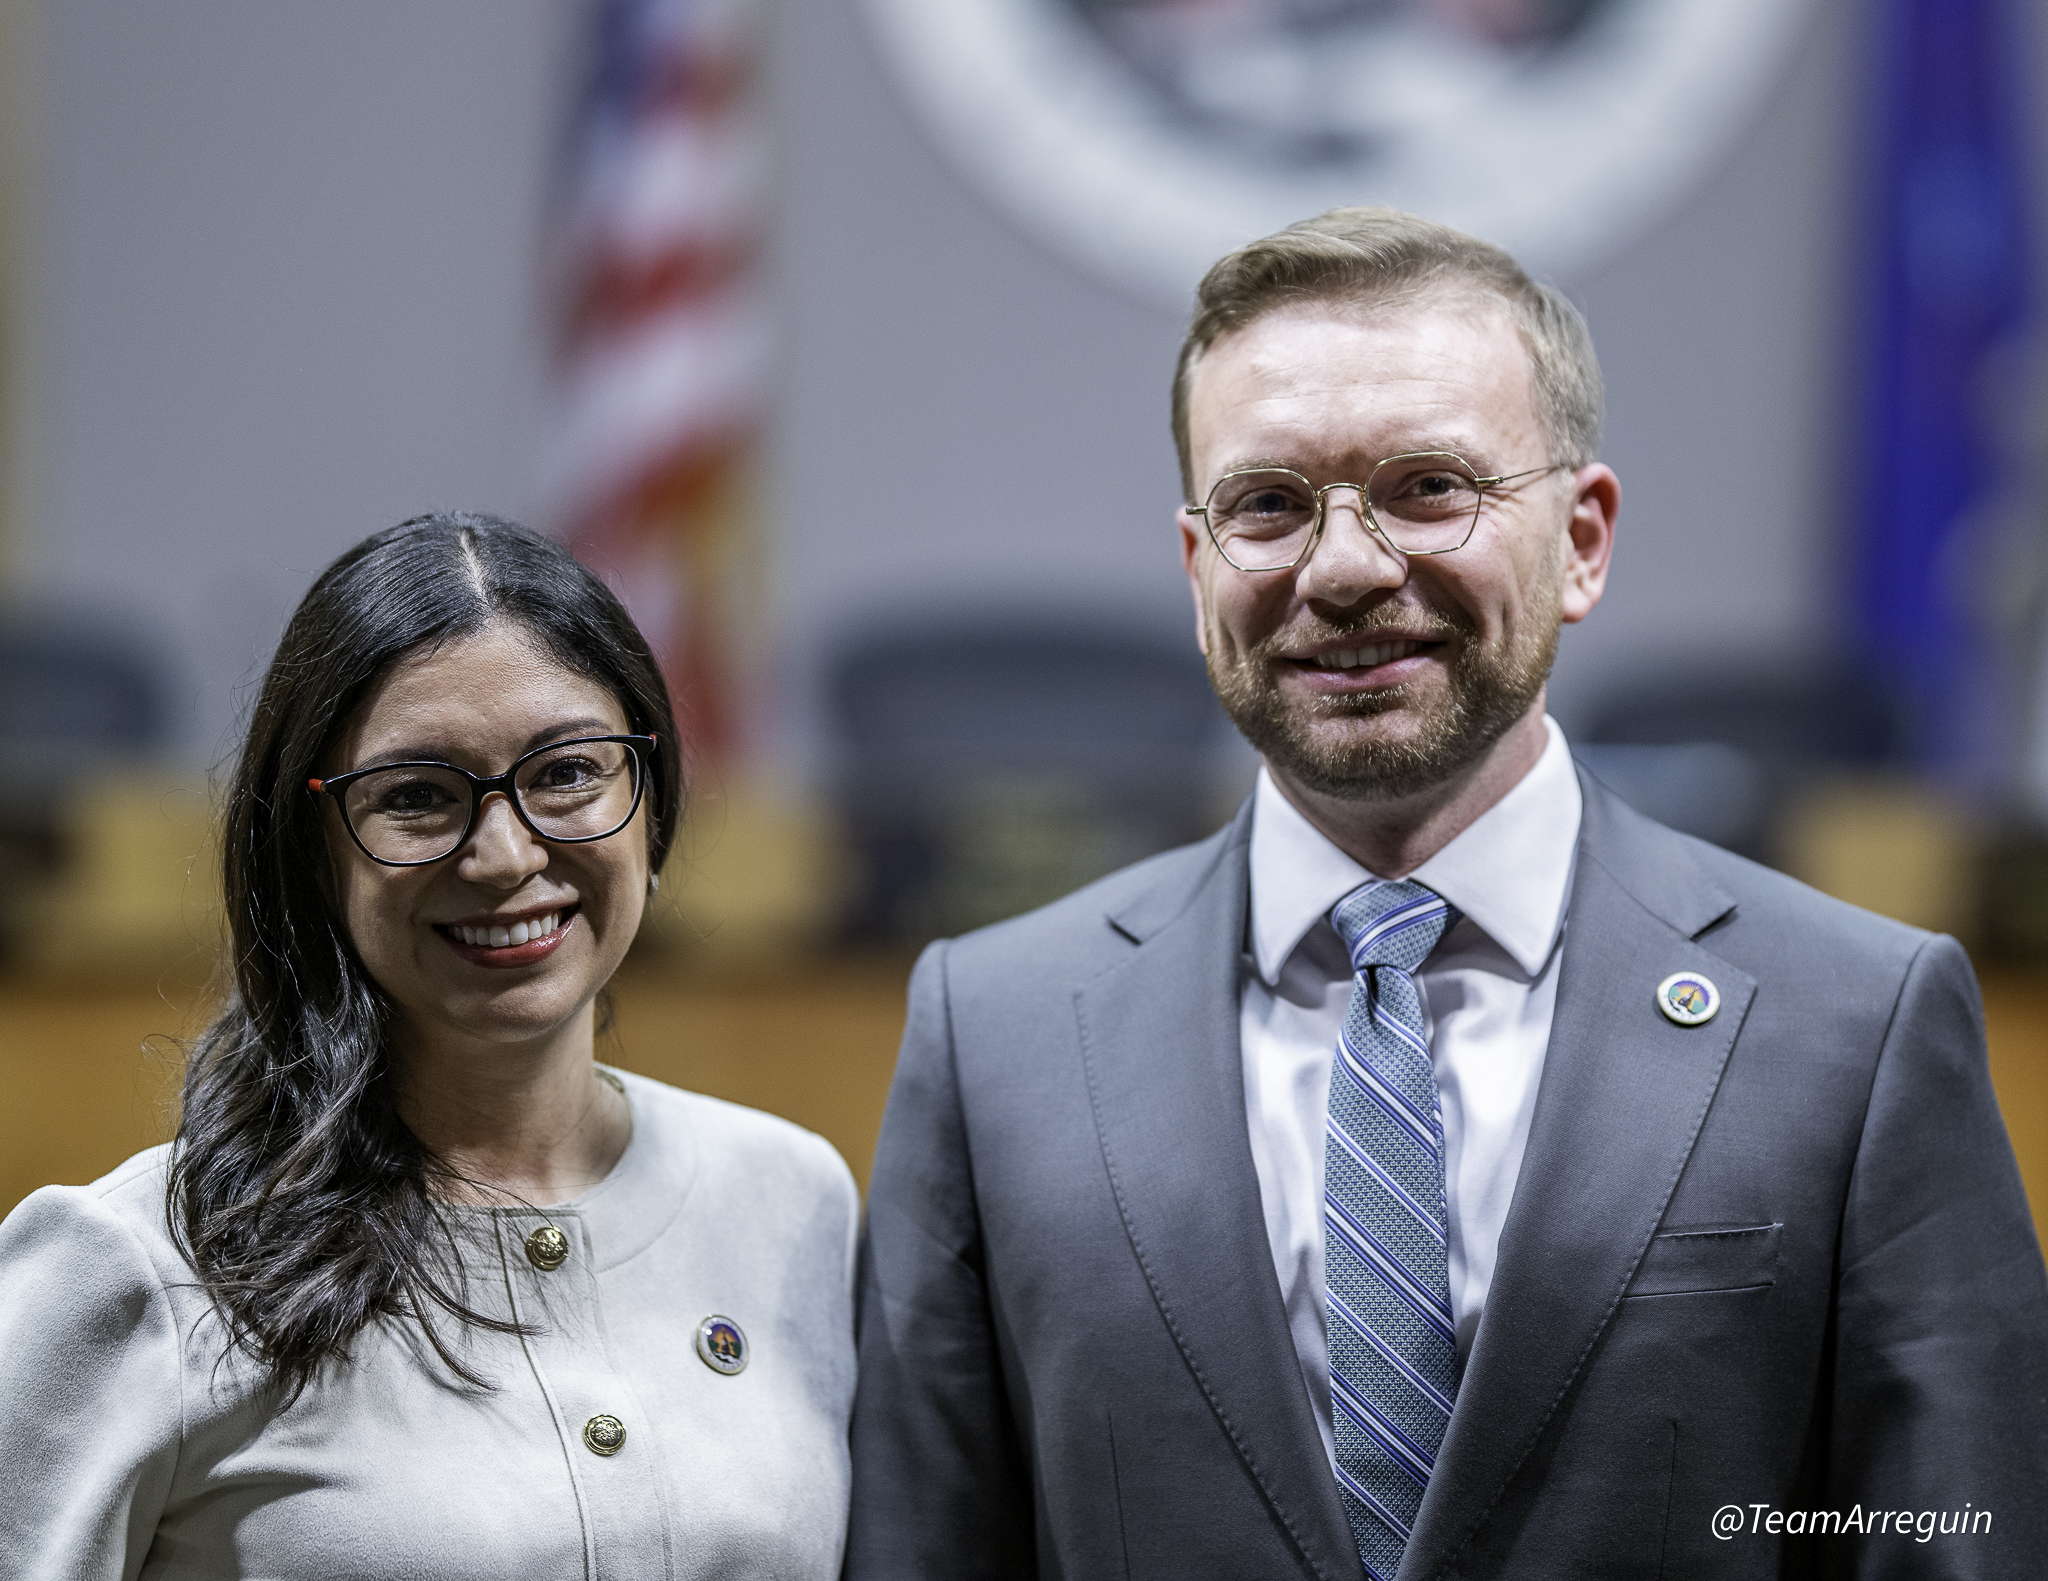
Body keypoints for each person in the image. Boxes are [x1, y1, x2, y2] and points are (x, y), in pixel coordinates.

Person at [845, 210, 2048, 1577]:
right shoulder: (994, 1032)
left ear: (1582, 539)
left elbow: (1955, 1539)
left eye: (1428, 488)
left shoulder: (1859, 1025)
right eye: (1267, 505)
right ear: (1198, 573)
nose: (1346, 568)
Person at [0, 514, 858, 1578]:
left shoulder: (791, 1199)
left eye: (568, 773)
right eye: (414, 797)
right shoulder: (137, 1269)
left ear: (652, 800)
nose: (505, 854)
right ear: (309, 849)